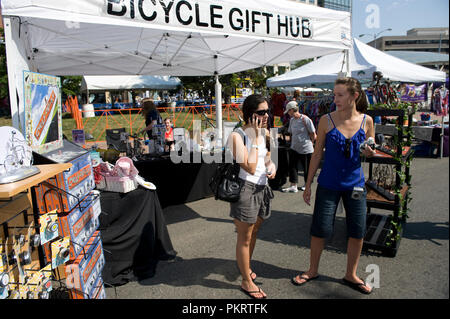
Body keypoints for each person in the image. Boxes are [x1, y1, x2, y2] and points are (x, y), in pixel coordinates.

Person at [292, 77, 376, 295]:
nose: (335, 99)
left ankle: (351, 274)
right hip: (328, 183)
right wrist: (308, 184)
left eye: (340, 95)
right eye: (334, 94)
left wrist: (370, 151)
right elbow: (317, 154)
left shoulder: (367, 121)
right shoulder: (326, 120)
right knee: (320, 229)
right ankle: (312, 270)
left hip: (355, 185)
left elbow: (371, 145)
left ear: (354, 96)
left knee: (357, 231)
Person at [228, 94, 277, 299]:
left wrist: (271, 165)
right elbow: (248, 166)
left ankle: (246, 269)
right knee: (245, 237)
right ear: (249, 113)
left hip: (262, 188)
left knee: (254, 232)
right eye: (261, 112)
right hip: (246, 189)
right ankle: (246, 282)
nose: (266, 115)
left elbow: (267, 158)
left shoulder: (265, 132)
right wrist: (256, 138)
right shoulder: (237, 135)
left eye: (267, 111)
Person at [282, 100, 316, 193]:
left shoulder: (306, 119)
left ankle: (307, 184)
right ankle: (293, 186)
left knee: (307, 168)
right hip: (294, 147)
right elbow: (291, 133)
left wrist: (312, 144)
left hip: (306, 148)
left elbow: (313, 134)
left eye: (289, 111)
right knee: (292, 166)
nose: (288, 113)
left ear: (293, 110)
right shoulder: (292, 120)